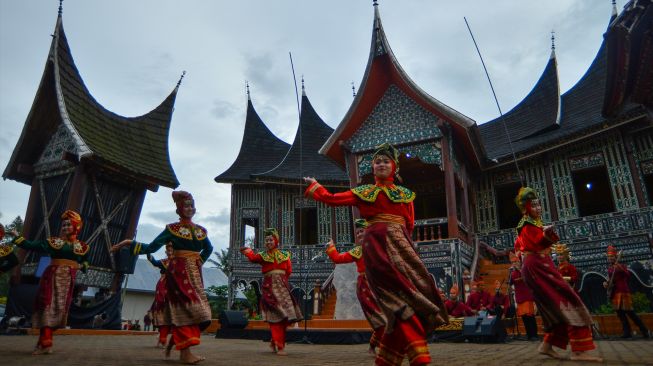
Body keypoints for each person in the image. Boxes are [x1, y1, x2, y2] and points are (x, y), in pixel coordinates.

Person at [304, 142, 447, 366]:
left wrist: (406, 248)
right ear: (372, 168)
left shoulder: (406, 195)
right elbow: (333, 199)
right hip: (376, 249)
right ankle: (418, 355)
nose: (381, 164)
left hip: (401, 246)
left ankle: (387, 358)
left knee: (413, 293)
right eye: (377, 161)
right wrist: (315, 186)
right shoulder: (365, 192)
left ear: (394, 167)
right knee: (397, 298)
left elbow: (409, 224)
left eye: (385, 161)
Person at [112, 191, 212, 365]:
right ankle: (185, 353)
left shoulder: (201, 231)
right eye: (186, 205)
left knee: (201, 311)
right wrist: (129, 243)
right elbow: (151, 247)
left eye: (191, 205)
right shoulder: (171, 229)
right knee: (186, 308)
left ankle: (176, 343)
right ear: (179, 209)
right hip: (178, 273)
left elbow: (209, 249)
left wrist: (198, 262)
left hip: (195, 275)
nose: (189, 208)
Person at [514, 187, 601, 361]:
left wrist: (544, 232)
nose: (538, 208)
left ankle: (547, 345)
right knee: (568, 300)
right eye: (534, 205)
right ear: (526, 208)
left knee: (555, 306)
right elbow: (536, 244)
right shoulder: (527, 225)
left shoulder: (532, 224)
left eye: (539, 204)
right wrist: (547, 234)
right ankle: (579, 350)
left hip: (538, 264)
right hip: (537, 265)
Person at [10, 210, 89, 355]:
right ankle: (46, 342)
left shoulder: (82, 247)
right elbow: (32, 245)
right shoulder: (54, 242)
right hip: (52, 278)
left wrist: (83, 266)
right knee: (47, 305)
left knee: (59, 310)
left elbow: (85, 261)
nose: (65, 228)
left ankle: (43, 343)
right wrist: (17, 238)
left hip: (67, 281)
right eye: (64, 225)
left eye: (68, 225)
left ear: (77, 227)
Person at [325, 219, 386, 356]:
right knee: (379, 319)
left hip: (380, 286)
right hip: (365, 287)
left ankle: (373, 346)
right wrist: (331, 247)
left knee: (386, 319)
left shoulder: (379, 248)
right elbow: (338, 259)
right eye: (357, 232)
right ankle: (386, 349)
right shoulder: (357, 251)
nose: (359, 234)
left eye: (361, 231)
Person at [240, 228, 303, 356]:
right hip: (270, 289)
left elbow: (289, 271)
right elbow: (252, 258)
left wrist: (281, 281)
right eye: (267, 240)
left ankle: (275, 341)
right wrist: (248, 251)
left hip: (283, 288)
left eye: (271, 240)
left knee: (285, 317)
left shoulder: (285, 256)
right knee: (275, 316)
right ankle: (280, 346)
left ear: (276, 241)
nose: (268, 242)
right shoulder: (263, 256)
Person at [604, 245, 650, 339]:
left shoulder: (622, 266)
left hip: (623, 291)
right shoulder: (610, 268)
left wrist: (619, 268)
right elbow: (610, 281)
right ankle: (627, 332)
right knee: (620, 314)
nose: (610, 259)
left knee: (630, 312)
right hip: (615, 292)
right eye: (608, 257)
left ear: (616, 257)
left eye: (612, 257)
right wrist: (606, 283)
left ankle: (644, 330)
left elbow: (627, 275)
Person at [147, 242, 174, 348]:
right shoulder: (164, 262)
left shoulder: (178, 262)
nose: (170, 252)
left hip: (175, 285)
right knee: (161, 303)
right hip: (164, 284)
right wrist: (148, 252)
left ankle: (164, 335)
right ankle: (162, 335)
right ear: (166, 252)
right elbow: (154, 261)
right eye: (168, 250)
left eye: (172, 250)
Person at [508, 252, 538, 341]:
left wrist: (520, 271)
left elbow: (529, 278)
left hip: (527, 296)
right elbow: (510, 283)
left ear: (520, 262)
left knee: (530, 316)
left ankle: (534, 335)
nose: (515, 264)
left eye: (516, 262)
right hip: (519, 297)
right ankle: (529, 335)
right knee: (524, 317)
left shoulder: (525, 270)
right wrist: (510, 273)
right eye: (513, 263)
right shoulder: (512, 273)